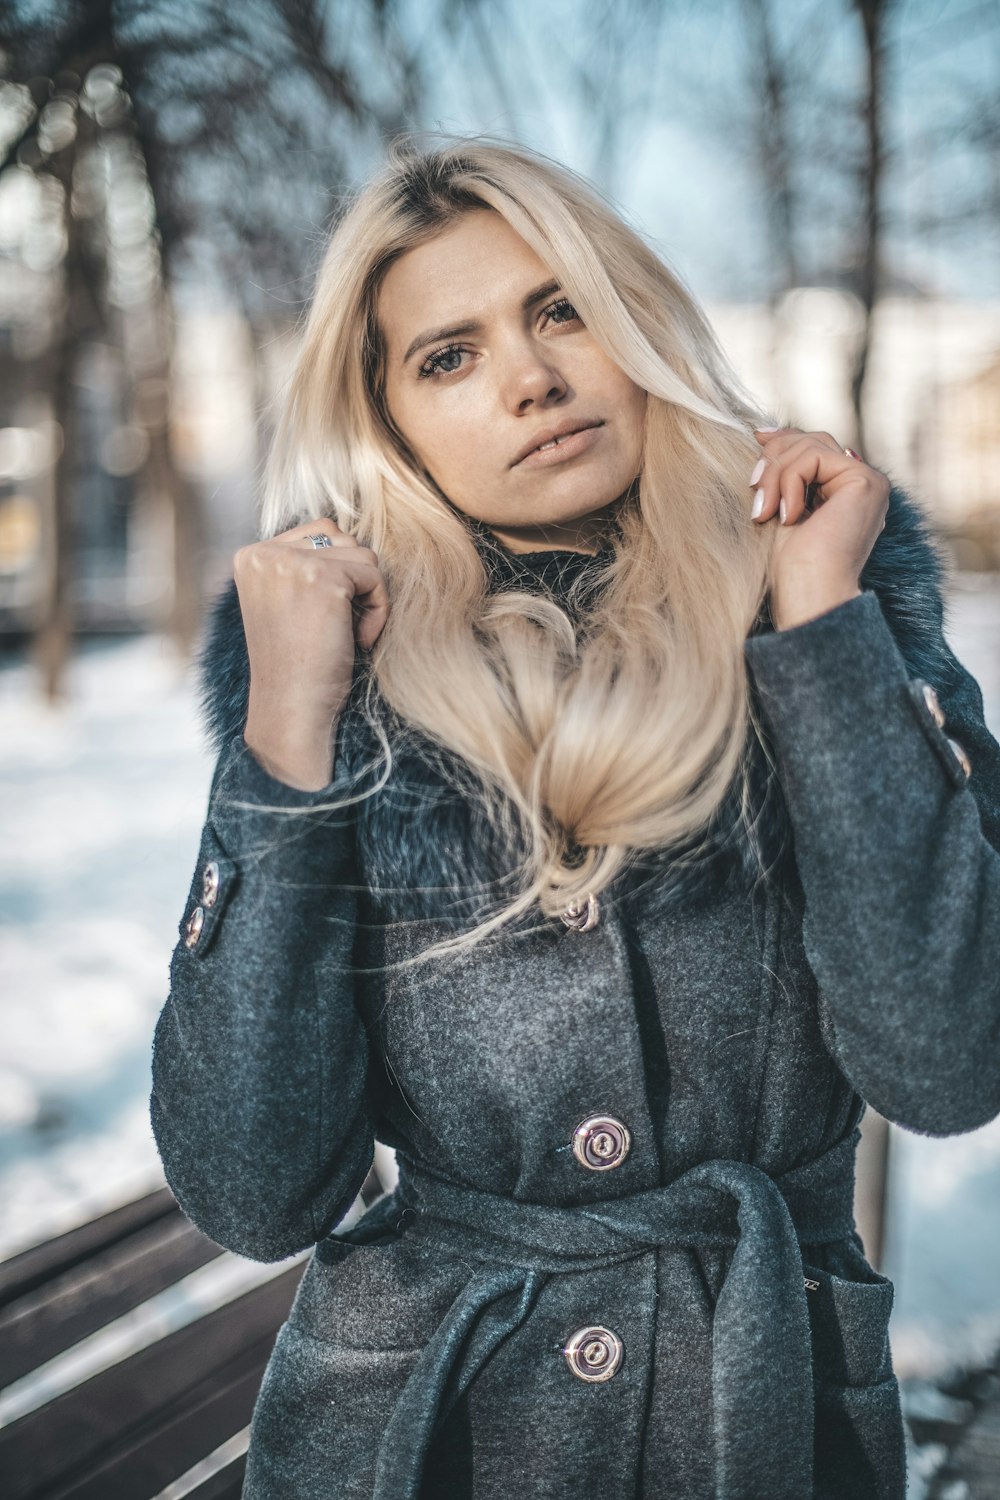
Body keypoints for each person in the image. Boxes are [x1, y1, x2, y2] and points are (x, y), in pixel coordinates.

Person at [149, 136, 1000, 1500]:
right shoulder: (338, 676)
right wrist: (282, 745)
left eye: (563, 310)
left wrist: (827, 631)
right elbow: (256, 1189)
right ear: (389, 418)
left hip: (759, 1414)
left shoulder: (822, 602)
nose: (531, 376)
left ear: (637, 323)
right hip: (414, 1437)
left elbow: (949, 1060)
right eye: (450, 356)